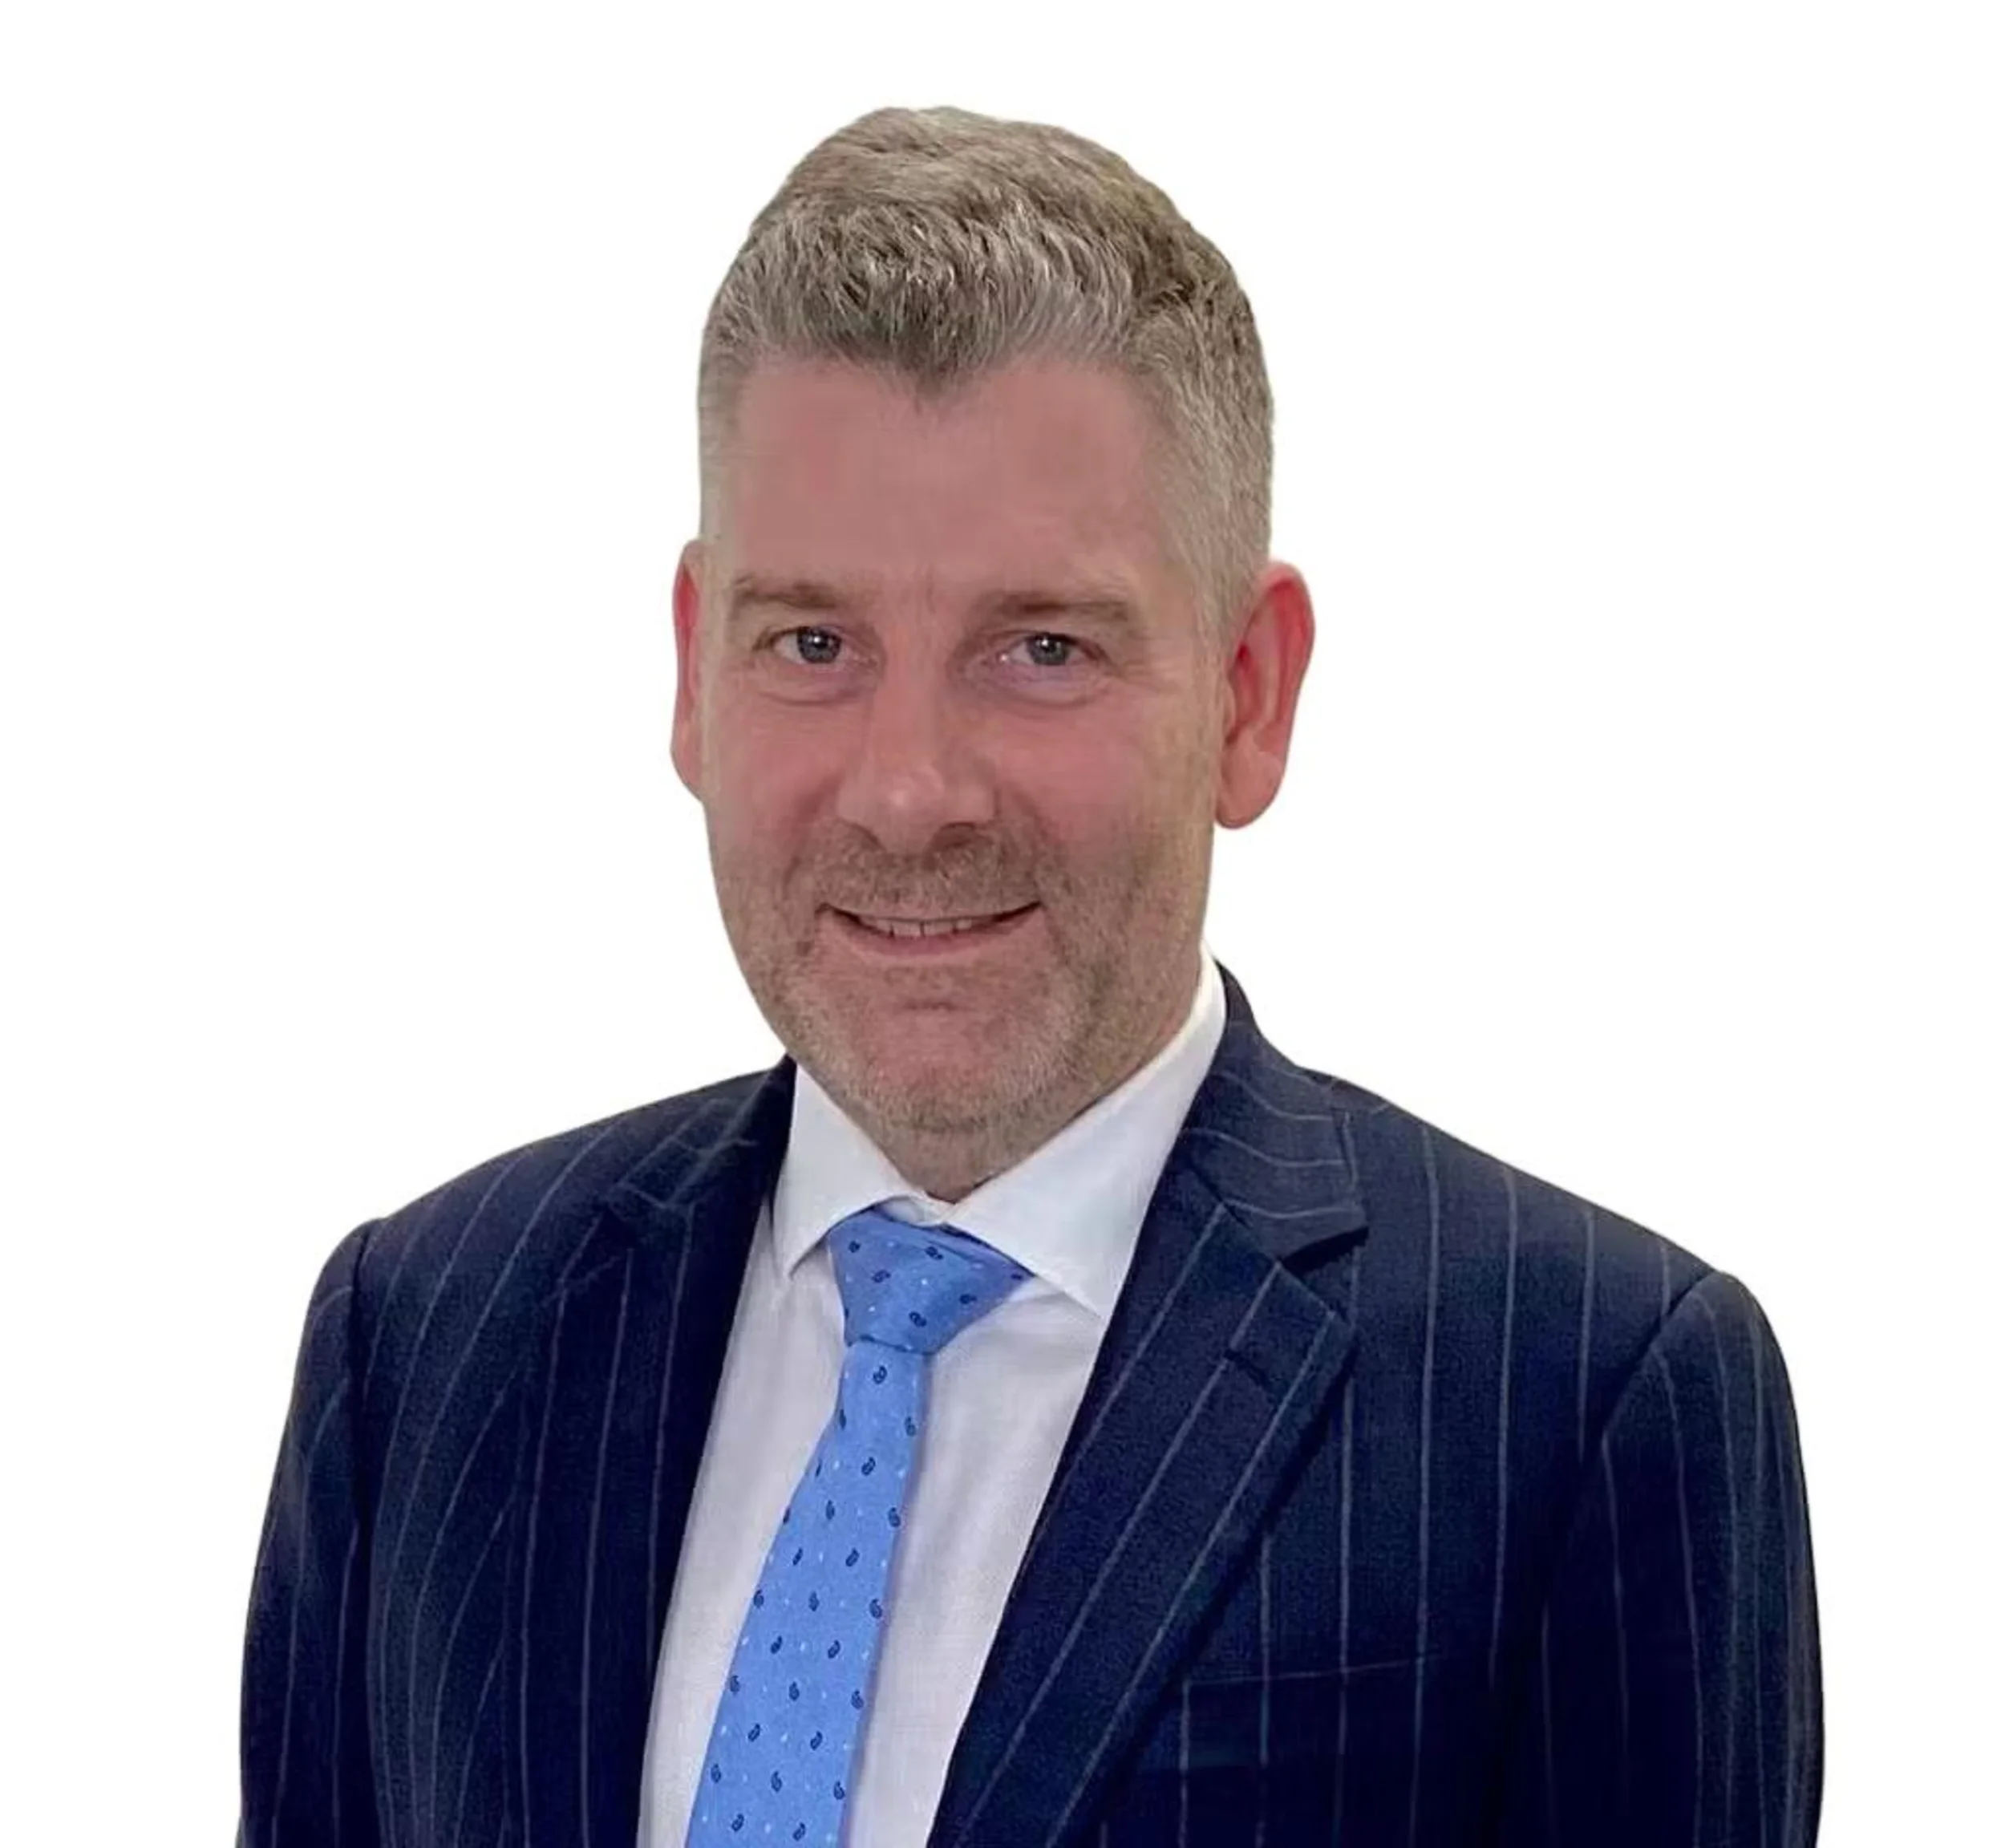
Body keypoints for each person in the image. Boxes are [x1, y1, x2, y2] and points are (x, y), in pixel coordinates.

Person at [238, 105, 1821, 1848]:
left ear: (1245, 693)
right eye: (813, 644)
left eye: (1040, 648)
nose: (909, 791)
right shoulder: (430, 1341)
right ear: (693, 674)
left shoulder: (1583, 1404)